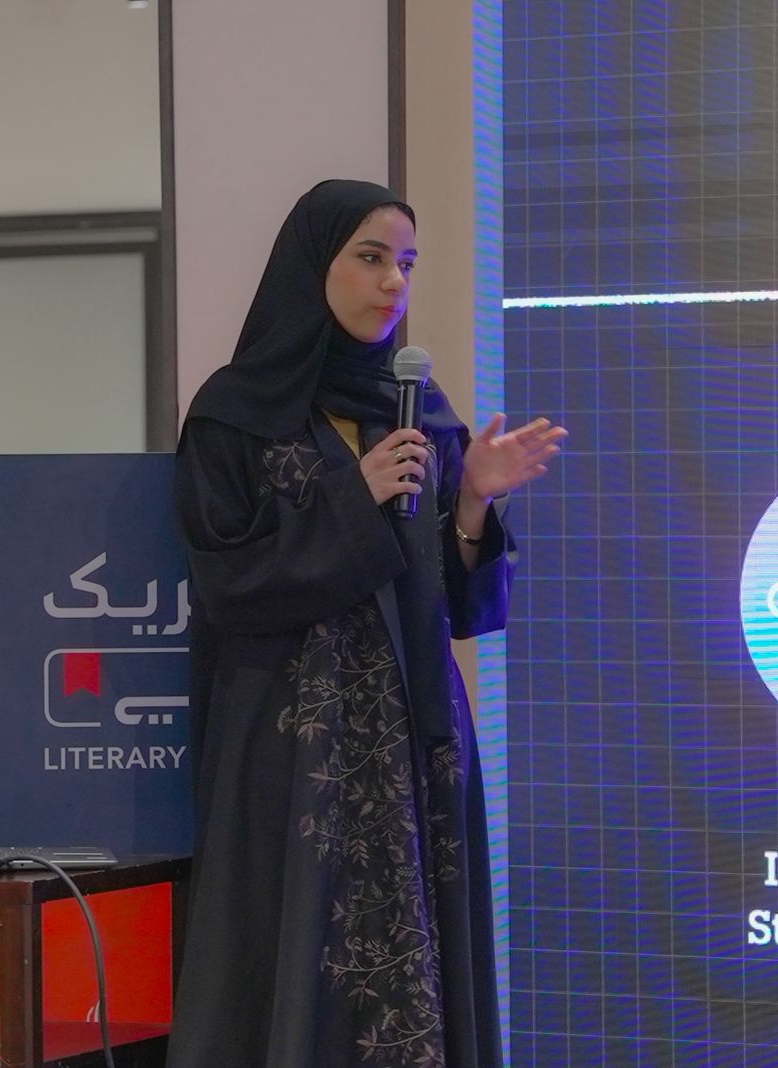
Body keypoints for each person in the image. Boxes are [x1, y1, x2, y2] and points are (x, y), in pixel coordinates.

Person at [166, 179, 565, 1068]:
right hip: (290, 736)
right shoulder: (235, 414)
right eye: (372, 258)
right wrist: (356, 495)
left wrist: (473, 501)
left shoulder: (417, 411)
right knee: (295, 945)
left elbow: (459, 604)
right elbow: (228, 585)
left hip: (414, 735)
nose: (394, 283)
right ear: (314, 265)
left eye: (407, 264)